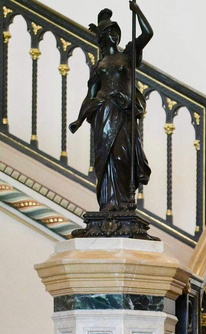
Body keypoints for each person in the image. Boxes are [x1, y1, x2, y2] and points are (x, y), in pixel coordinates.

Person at [70, 3, 153, 212]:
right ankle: (109, 203)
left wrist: (137, 11)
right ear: (102, 37)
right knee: (105, 160)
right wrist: (79, 120)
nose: (114, 35)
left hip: (123, 111)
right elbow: (90, 96)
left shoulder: (128, 55)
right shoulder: (99, 66)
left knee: (122, 156)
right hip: (103, 113)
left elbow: (148, 33)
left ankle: (124, 202)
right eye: (110, 32)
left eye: (116, 31)